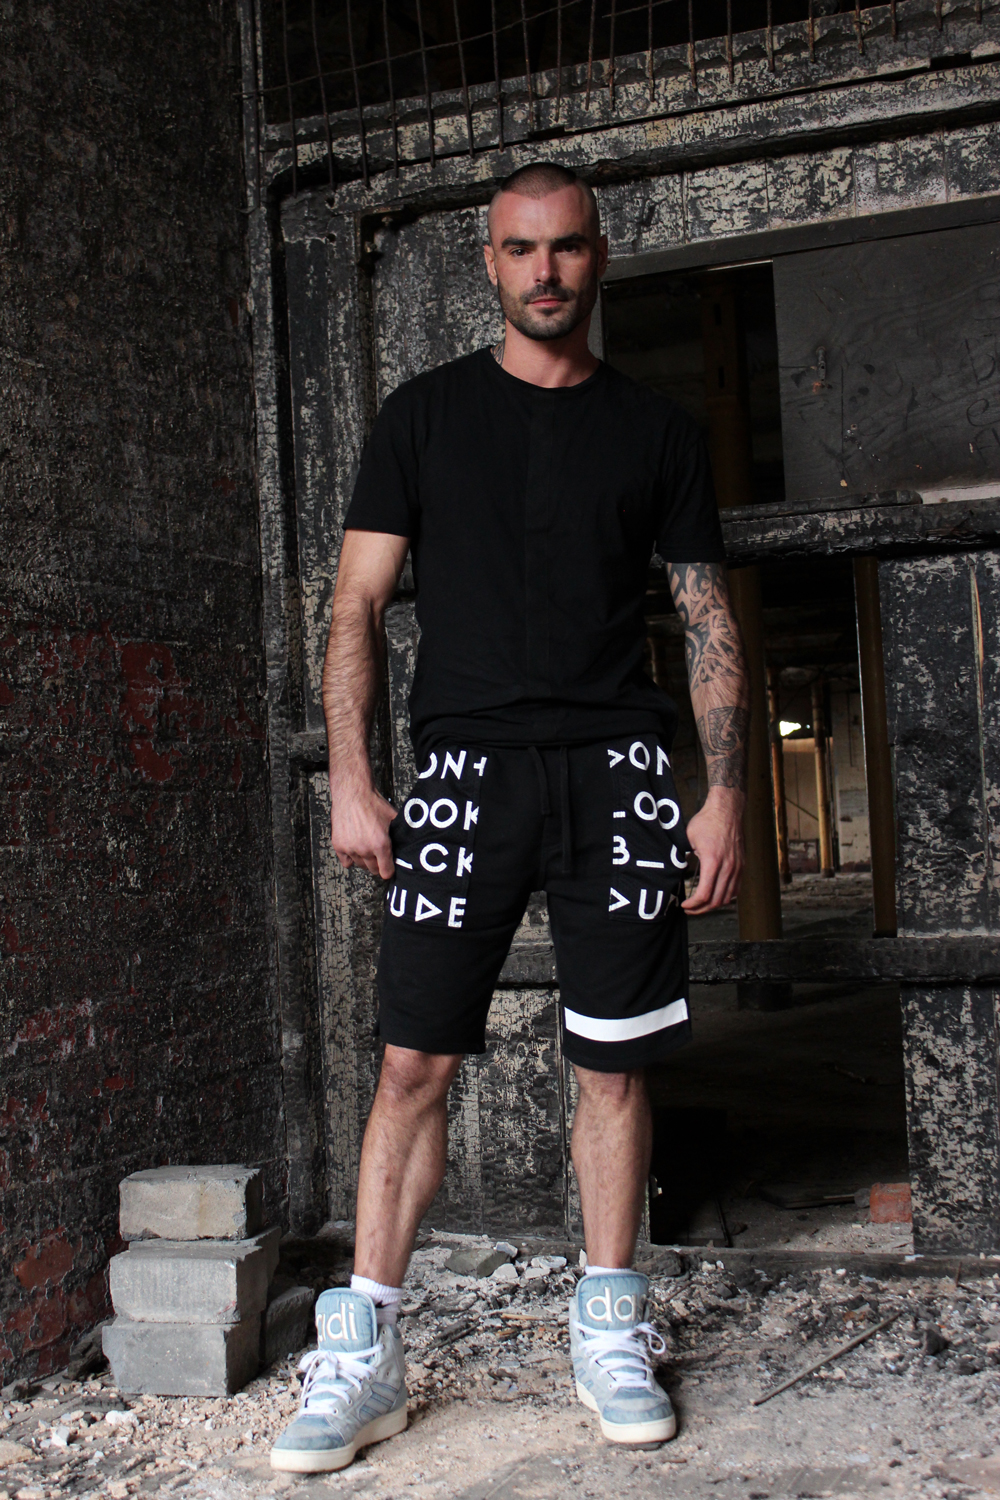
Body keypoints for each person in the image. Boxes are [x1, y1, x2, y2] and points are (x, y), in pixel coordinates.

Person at [271, 162, 749, 1476]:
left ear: (600, 257)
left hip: (616, 771)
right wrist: (354, 777)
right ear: (488, 262)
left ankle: (609, 1323)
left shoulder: (656, 433)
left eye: (569, 248)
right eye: (522, 250)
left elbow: (707, 618)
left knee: (613, 1065)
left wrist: (725, 794)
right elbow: (356, 605)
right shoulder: (422, 418)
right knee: (410, 1066)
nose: (547, 272)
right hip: (465, 770)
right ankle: (364, 1351)